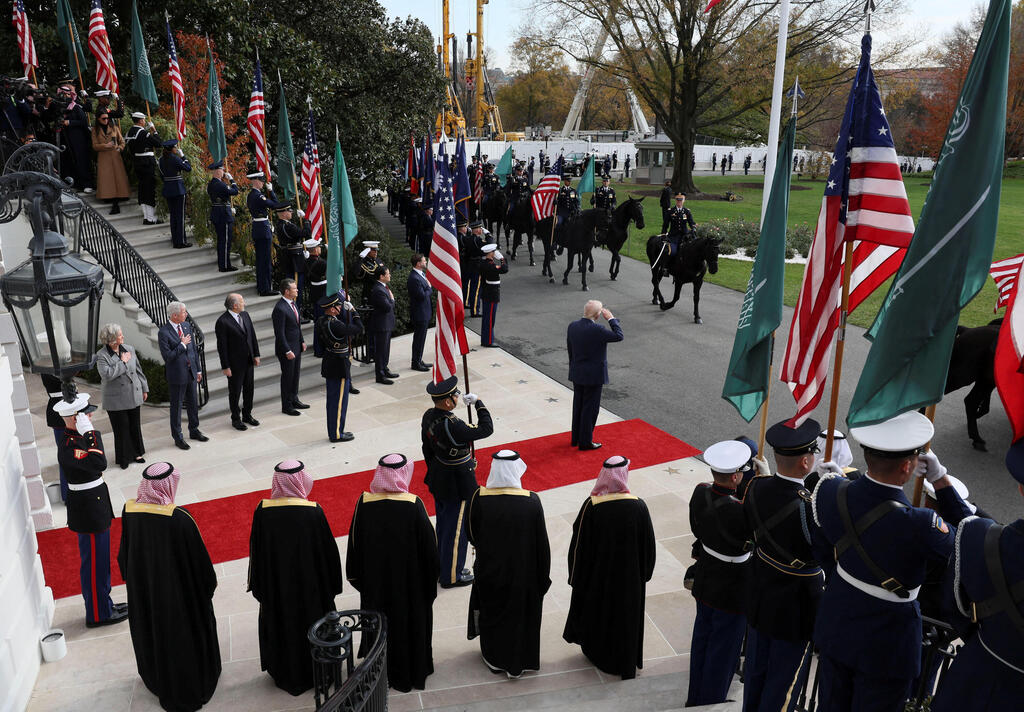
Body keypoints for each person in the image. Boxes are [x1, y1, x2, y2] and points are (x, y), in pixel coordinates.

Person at [811, 412, 973, 711]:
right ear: (908, 465)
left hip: (837, 622)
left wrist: (839, 479)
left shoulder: (832, 491)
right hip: (887, 641)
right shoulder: (922, 524)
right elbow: (971, 538)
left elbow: (823, 542)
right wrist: (940, 480)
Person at [117, 462, 220, 711]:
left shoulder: (129, 511)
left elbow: (124, 556)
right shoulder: (179, 519)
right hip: (179, 601)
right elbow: (202, 569)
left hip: (146, 596)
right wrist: (206, 591)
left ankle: (157, 679)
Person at [930, 440, 1024, 712]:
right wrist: (941, 483)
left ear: (1020, 486)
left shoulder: (978, 537)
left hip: (977, 682)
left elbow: (956, 608)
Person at [742, 418, 825, 712]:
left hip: (762, 593)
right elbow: (825, 553)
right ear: (805, 462)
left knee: (756, 673)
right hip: (796, 605)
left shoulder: (756, 486)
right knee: (783, 685)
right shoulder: (808, 506)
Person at [248, 460, 343, 695]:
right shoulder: (313, 512)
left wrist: (261, 589)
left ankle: (285, 672)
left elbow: (256, 554)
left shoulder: (262, 512)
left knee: (283, 629)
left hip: (277, 591)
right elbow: (329, 556)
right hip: (311, 593)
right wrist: (331, 588)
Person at [347, 454, 439, 692]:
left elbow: (354, 550)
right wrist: (427, 588)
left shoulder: (364, 504)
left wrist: (363, 583)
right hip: (410, 591)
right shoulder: (414, 505)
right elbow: (431, 554)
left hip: (375, 589)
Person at [563, 456, 656, 679]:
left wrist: (575, 578)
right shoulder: (639, 506)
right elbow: (648, 548)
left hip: (599, 580)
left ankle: (600, 655)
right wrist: (644, 575)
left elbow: (578, 548)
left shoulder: (591, 506)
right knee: (625, 621)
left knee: (601, 617)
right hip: (629, 581)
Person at [467, 450, 551, 678]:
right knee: (520, 618)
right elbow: (541, 544)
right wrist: (543, 577)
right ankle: (521, 661)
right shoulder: (532, 501)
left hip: (491, 571)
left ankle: (495, 659)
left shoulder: (478, 498)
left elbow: (471, 534)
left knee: (494, 614)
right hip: (524, 574)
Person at [686, 440, 752, 707]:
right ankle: (710, 701)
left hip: (706, 575)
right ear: (736, 476)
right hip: (732, 585)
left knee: (702, 638)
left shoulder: (700, 491)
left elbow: (696, 527)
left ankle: (695, 696)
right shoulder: (740, 510)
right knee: (724, 648)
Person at [55, 392, 128, 628]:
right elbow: (99, 463)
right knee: (95, 565)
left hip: (94, 503)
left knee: (101, 561)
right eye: (87, 414)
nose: (91, 415)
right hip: (88, 509)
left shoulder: (77, 438)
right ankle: (98, 614)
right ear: (76, 419)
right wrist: (90, 433)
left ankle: (104, 604)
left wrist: (87, 433)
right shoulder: (70, 444)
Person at [421, 376, 494, 587]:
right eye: (455, 395)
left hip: (439, 475)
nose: (457, 397)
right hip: (457, 482)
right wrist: (479, 404)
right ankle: (451, 576)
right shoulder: (453, 424)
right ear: (447, 402)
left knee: (444, 526)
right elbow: (486, 429)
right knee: (456, 531)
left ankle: (442, 566)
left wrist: (437, 468)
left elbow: (426, 448)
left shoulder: (428, 416)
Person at [566, 300, 623, 451]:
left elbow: (570, 349)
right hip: (593, 375)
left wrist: (573, 367)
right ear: (598, 315)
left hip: (577, 372)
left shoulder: (572, 326)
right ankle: (585, 441)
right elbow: (619, 336)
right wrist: (611, 319)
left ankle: (576, 438)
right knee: (589, 409)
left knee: (578, 405)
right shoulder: (598, 329)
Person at [95, 323, 148, 469]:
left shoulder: (129, 349)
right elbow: (107, 375)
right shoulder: (101, 356)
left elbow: (138, 371)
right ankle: (124, 458)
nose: (122, 336)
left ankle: (137, 453)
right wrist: (122, 362)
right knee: (121, 428)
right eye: (119, 335)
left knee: (134, 425)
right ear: (112, 339)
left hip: (133, 393)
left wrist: (144, 388)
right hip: (115, 398)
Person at [158, 302, 207, 451]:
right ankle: (178, 437)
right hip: (177, 375)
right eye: (184, 312)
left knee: (193, 403)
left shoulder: (186, 326)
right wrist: (182, 345)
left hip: (191, 372)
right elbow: (168, 356)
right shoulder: (164, 332)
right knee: (177, 407)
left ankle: (194, 430)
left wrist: (198, 370)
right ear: (174, 315)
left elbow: (193, 351)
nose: (186, 314)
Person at [316, 292, 363, 442]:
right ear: (331, 309)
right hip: (339, 364)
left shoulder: (321, 320)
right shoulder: (336, 324)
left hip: (330, 360)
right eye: (338, 306)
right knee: (339, 401)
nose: (340, 308)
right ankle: (336, 434)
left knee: (333, 400)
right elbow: (358, 328)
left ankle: (335, 431)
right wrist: (353, 311)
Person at [214, 293, 260, 431]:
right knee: (235, 392)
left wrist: (256, 354)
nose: (244, 303)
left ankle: (247, 414)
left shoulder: (245, 315)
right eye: (242, 301)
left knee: (249, 389)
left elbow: (252, 335)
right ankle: (236, 418)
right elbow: (222, 347)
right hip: (234, 365)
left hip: (248, 360)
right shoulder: (222, 322)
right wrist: (225, 366)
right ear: (234, 305)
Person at [246, 170, 287, 295]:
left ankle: (262, 286)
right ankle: (265, 289)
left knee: (261, 260)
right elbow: (275, 205)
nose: (263, 183)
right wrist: (271, 192)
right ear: (255, 181)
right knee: (265, 260)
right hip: (263, 229)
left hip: (258, 227)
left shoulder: (250, 195)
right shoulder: (259, 196)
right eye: (261, 181)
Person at [272, 278, 308, 416]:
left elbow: (297, 326)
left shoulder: (293, 304)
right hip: (287, 349)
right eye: (294, 288)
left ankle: (294, 399)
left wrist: (302, 341)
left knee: (295, 375)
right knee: (287, 377)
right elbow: (279, 333)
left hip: (296, 346)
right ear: (287, 291)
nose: (297, 290)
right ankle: (286, 405)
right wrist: (287, 350)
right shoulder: (280, 309)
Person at [124, 112, 163, 225]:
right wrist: (154, 130)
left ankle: (147, 217)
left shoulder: (130, 132)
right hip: (147, 163)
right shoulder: (143, 133)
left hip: (137, 163)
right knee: (149, 190)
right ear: (140, 121)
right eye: (144, 120)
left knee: (142, 189)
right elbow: (158, 143)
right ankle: (151, 219)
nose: (145, 121)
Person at [274, 203, 312, 315]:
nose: (291, 213)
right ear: (284, 213)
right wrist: (306, 220)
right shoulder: (287, 226)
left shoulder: (281, 225)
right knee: (296, 287)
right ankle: (296, 311)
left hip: (290, 257)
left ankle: (296, 310)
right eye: (289, 211)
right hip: (295, 259)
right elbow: (305, 233)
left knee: (292, 285)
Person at [55, 81, 93, 192]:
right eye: (64, 94)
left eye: (68, 94)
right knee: (68, 162)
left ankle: (86, 184)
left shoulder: (76, 107)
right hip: (65, 140)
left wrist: (70, 122)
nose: (66, 96)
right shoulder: (59, 108)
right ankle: (72, 184)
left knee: (81, 160)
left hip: (78, 140)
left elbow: (83, 122)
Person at [91, 110, 129, 215]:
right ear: (98, 119)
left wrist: (120, 149)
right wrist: (105, 146)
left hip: (115, 156)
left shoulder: (114, 127)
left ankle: (121, 195)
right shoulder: (95, 130)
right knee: (107, 179)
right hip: (104, 157)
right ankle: (108, 196)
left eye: (107, 118)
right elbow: (94, 145)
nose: (106, 120)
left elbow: (122, 141)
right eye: (103, 118)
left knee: (118, 177)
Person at [40, 373, 70, 502]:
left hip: (65, 408)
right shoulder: (48, 369)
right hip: (60, 412)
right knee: (66, 455)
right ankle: (67, 495)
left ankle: (68, 494)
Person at [368, 264, 399, 384]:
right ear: (381, 276)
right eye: (388, 273)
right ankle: (380, 375)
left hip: (386, 323)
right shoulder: (378, 290)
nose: (389, 275)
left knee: (385, 349)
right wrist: (392, 299)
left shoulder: (383, 287)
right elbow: (387, 307)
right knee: (380, 351)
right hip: (381, 325)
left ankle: (385, 369)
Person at [207, 160, 240, 272]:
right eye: (222, 170)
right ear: (217, 171)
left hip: (218, 212)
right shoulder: (220, 184)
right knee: (225, 241)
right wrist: (232, 180)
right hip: (223, 215)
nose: (223, 171)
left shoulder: (211, 184)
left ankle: (224, 264)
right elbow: (235, 191)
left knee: (222, 241)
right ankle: (225, 265)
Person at [160, 139, 191, 248]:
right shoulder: (176, 159)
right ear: (172, 149)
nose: (176, 149)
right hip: (178, 189)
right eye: (175, 147)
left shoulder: (161, 160)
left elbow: (162, 176)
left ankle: (175, 240)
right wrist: (183, 157)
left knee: (173, 216)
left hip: (168, 189)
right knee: (180, 216)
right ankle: (181, 241)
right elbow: (188, 168)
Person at [407, 253, 433, 372]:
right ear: (418, 264)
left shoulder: (420, 275)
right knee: (419, 338)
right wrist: (429, 288)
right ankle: (415, 362)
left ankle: (419, 359)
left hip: (424, 312)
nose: (425, 262)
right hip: (420, 313)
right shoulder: (414, 278)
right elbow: (421, 296)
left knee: (421, 338)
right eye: (424, 261)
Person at [478, 244, 508, 348]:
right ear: (490, 253)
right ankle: (488, 341)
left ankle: (485, 339)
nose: (495, 253)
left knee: (487, 318)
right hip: (491, 294)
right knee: (490, 319)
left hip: (488, 293)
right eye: (494, 251)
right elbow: (504, 269)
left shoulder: (484, 263)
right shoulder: (490, 265)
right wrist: (502, 259)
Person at [463, 221, 485, 316]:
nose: (481, 230)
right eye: (480, 228)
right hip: (477, 264)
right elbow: (486, 249)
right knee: (476, 289)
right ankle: (475, 311)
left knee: (470, 286)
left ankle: (469, 304)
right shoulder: (478, 240)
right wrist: (488, 235)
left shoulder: (467, 239)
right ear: (476, 230)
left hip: (470, 264)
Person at [591, 175, 617, 245]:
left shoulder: (612, 191)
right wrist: (593, 200)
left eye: (607, 181)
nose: (605, 182)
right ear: (602, 182)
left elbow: (614, 202)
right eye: (604, 181)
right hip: (599, 212)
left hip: (608, 212)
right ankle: (594, 237)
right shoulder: (598, 190)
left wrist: (613, 206)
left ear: (609, 182)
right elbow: (591, 202)